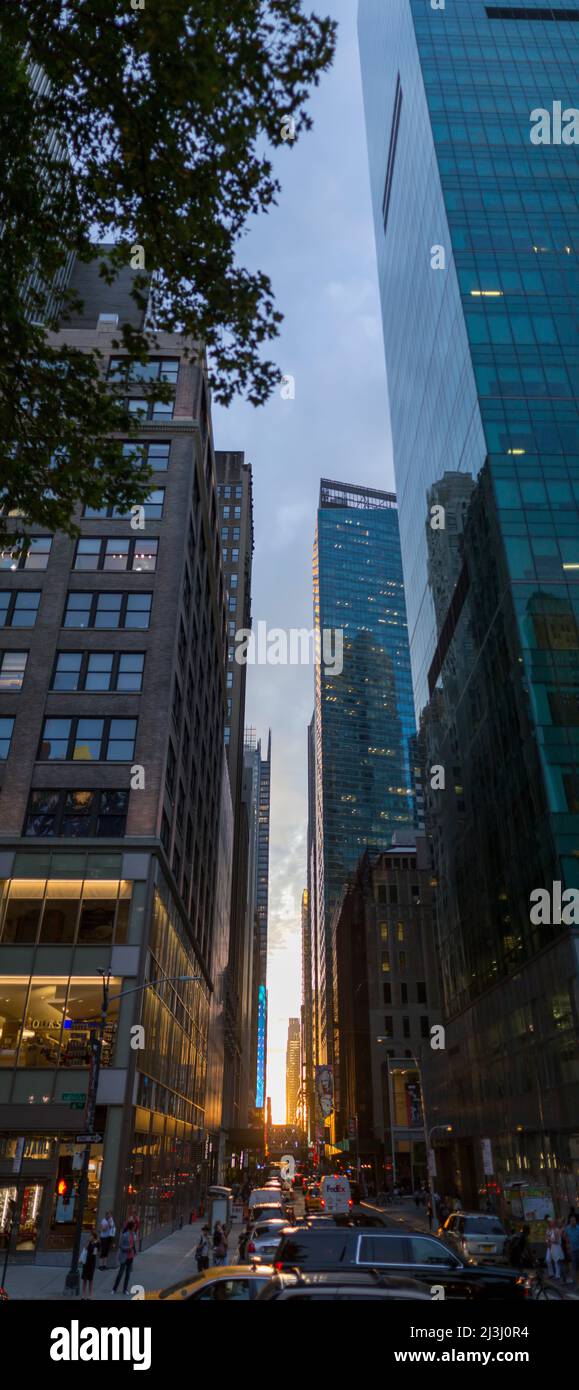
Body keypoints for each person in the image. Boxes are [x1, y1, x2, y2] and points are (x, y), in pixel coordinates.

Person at [113, 1218, 137, 1296]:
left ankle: (125, 1289)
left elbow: (133, 1245)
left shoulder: (133, 1235)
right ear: (131, 1227)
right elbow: (120, 1245)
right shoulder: (125, 1235)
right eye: (134, 1227)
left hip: (130, 1257)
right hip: (124, 1256)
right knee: (120, 1273)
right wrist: (127, 1248)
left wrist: (133, 1250)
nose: (135, 1228)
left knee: (128, 1274)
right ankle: (114, 1289)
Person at [80, 1229, 99, 1299]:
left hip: (91, 1262)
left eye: (91, 1235)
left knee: (90, 1279)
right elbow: (85, 1248)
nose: (89, 1237)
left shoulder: (97, 1243)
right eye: (89, 1235)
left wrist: (94, 1244)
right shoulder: (88, 1242)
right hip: (86, 1262)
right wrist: (88, 1242)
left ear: (94, 1236)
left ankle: (90, 1294)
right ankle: (83, 1294)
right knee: (84, 1279)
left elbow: (95, 1253)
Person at [564, 1214, 579, 1285]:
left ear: (576, 1221)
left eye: (574, 1220)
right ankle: (576, 1282)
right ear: (570, 1222)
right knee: (574, 1267)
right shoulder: (568, 1228)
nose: (573, 1222)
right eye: (571, 1221)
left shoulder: (578, 1228)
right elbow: (565, 1237)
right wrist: (568, 1246)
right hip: (572, 1250)